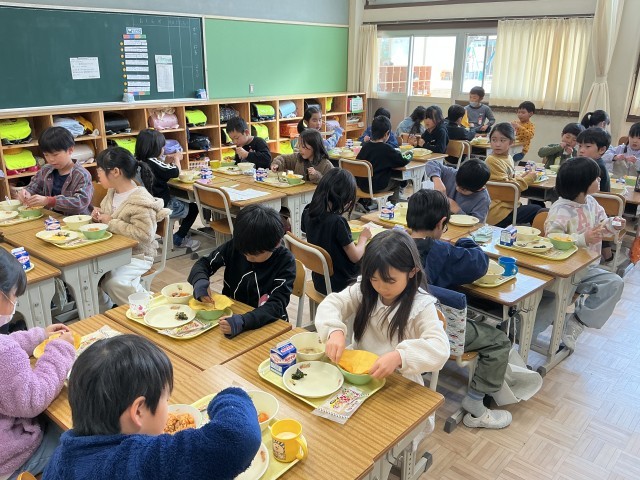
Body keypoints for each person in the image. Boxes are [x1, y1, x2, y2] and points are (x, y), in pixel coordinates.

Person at [44, 335, 261, 480]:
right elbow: (239, 438)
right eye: (166, 399)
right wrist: (230, 397)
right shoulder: (138, 462)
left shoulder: (61, 456)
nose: (168, 406)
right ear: (138, 411)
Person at [406, 189, 513, 429]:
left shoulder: (395, 243)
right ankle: (476, 402)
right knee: (498, 341)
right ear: (442, 223)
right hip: (436, 330)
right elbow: (480, 264)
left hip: (402, 324)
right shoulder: (442, 251)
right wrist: (465, 240)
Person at [316, 228, 450, 387]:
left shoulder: (420, 305)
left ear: (412, 272)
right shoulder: (365, 289)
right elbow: (333, 303)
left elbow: (440, 348)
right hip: (358, 374)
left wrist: (400, 357)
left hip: (398, 381)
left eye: (390, 281)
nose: (381, 287)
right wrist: (334, 330)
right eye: (374, 279)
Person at [534, 157, 625, 351]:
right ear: (581, 183)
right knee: (552, 305)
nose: (600, 180)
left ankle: (577, 320)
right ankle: (519, 337)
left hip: (587, 269)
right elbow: (552, 239)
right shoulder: (560, 209)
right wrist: (583, 238)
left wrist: (613, 224)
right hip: (563, 271)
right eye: (595, 178)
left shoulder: (591, 202)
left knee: (614, 283)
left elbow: (602, 225)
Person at [0, 249, 75, 479]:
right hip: (10, 457)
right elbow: (33, 398)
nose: (15, 302)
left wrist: (39, 335)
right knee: (74, 433)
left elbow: (6, 345)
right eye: (14, 295)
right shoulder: (4, 352)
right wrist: (60, 349)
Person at [188, 205, 295, 338]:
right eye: (244, 253)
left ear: (276, 244)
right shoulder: (238, 246)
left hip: (269, 323)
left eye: (255, 255)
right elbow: (203, 264)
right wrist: (200, 282)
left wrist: (244, 321)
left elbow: (276, 306)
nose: (248, 258)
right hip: (232, 316)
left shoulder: (285, 261)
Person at [93, 147, 170, 309]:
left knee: (114, 282)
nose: (97, 174)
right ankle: (108, 310)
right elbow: (108, 217)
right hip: (114, 252)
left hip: (138, 255)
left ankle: (150, 308)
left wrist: (110, 222)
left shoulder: (140, 200)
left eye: (100, 170)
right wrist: (99, 216)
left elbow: (144, 235)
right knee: (90, 278)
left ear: (115, 172)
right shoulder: (112, 193)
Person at [301, 169, 371, 294]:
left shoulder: (307, 212)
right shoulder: (337, 222)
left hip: (320, 281)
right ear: (344, 198)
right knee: (373, 256)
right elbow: (355, 257)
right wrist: (363, 238)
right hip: (341, 284)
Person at [135, 129, 200, 250]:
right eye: (162, 147)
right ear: (155, 148)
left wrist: (165, 162)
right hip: (162, 206)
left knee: (183, 200)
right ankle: (179, 238)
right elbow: (176, 172)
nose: (163, 150)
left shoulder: (138, 161)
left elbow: (159, 173)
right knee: (194, 207)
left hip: (147, 206)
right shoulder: (153, 161)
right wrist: (177, 159)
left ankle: (179, 235)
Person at [17, 126, 93, 216]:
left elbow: (80, 203)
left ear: (70, 150)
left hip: (76, 221)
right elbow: (33, 188)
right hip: (51, 219)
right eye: (46, 155)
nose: (51, 159)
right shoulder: (46, 170)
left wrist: (49, 201)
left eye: (55, 155)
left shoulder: (81, 175)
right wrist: (26, 193)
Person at [485, 123, 542, 227]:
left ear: (511, 142)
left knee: (537, 206)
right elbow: (508, 190)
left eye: (502, 140)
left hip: (509, 206)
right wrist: (528, 179)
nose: (497, 144)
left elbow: (508, 180)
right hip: (499, 211)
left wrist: (523, 176)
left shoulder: (508, 157)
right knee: (539, 211)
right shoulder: (492, 160)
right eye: (494, 140)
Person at [576, 127, 614, 262]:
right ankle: (607, 255)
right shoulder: (594, 163)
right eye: (580, 146)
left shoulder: (593, 167)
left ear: (601, 150)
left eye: (587, 146)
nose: (581, 150)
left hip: (596, 208)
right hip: (597, 207)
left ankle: (605, 255)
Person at [356, 115, 410, 205]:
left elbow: (358, 162)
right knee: (397, 182)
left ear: (372, 131)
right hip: (377, 187)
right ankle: (392, 207)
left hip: (362, 186)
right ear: (387, 133)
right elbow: (402, 160)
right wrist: (410, 154)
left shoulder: (365, 146)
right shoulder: (387, 149)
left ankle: (368, 202)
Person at [424, 158, 491, 222]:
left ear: (479, 189)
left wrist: (457, 210)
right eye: (457, 183)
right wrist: (437, 180)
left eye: (463, 189)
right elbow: (431, 163)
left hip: (458, 228)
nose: (457, 189)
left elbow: (477, 224)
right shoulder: (455, 174)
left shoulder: (483, 199)